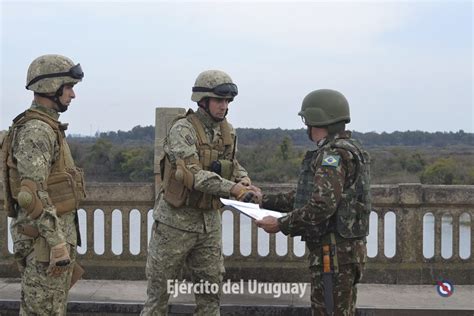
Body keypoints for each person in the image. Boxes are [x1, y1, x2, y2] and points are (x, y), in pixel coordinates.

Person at [141, 70, 261, 316]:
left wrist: (245, 181)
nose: (224, 106)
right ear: (203, 101)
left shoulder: (228, 131)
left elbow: (233, 164)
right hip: (175, 224)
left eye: (227, 101)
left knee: (210, 296)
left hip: (209, 224)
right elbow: (192, 174)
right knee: (158, 296)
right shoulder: (182, 130)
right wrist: (234, 189)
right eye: (219, 100)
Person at [256, 89, 371, 316]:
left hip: (333, 256)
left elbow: (321, 205)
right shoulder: (350, 149)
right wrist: (263, 200)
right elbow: (309, 196)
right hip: (345, 254)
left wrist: (281, 224)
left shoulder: (333, 156)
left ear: (316, 120)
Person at [2, 54, 86, 315]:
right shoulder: (37, 130)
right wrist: (57, 242)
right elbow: (31, 195)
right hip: (45, 245)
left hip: (48, 243)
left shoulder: (47, 127)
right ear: (52, 87)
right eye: (69, 87)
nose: (72, 95)